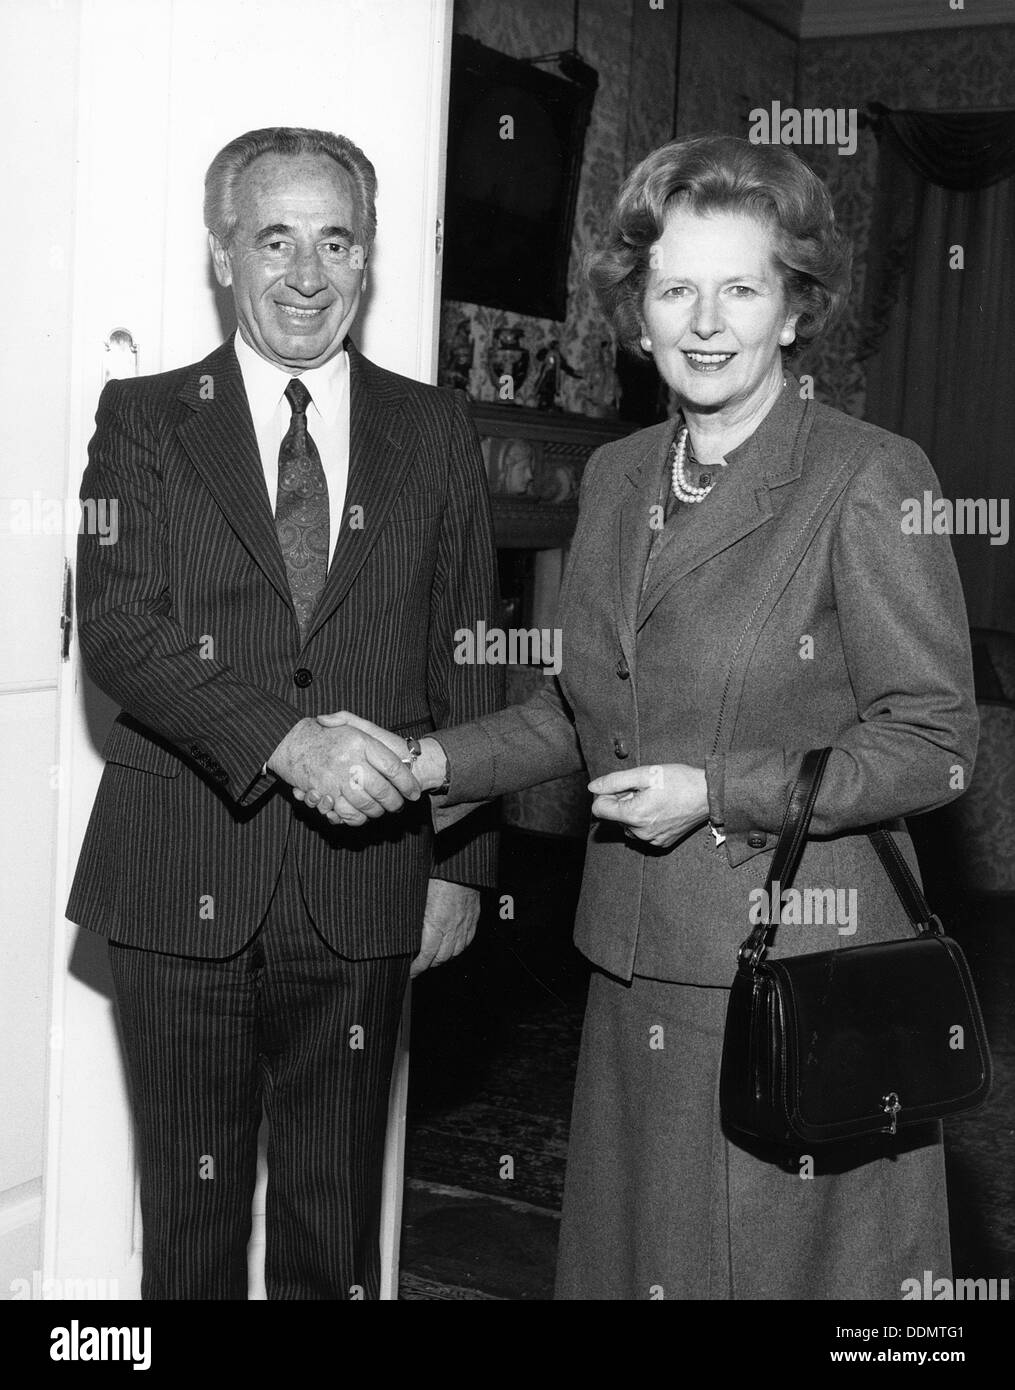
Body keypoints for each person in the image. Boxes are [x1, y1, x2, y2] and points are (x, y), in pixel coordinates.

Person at [303, 135, 979, 1300]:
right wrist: (427, 759)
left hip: (793, 975)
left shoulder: (867, 476)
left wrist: (717, 789)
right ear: (637, 307)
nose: (704, 322)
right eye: (675, 289)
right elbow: (581, 712)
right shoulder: (618, 475)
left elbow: (932, 741)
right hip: (631, 965)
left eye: (740, 288)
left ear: (793, 311)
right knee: (641, 1261)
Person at [66, 126, 502, 1300]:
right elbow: (118, 630)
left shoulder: (436, 430)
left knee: (335, 1224)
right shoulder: (144, 419)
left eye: (336, 240)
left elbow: (469, 649)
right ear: (224, 255)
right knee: (191, 1232)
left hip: (366, 883)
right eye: (275, 240)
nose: (307, 275)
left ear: (367, 260)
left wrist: (461, 858)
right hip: (177, 874)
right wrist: (285, 742)